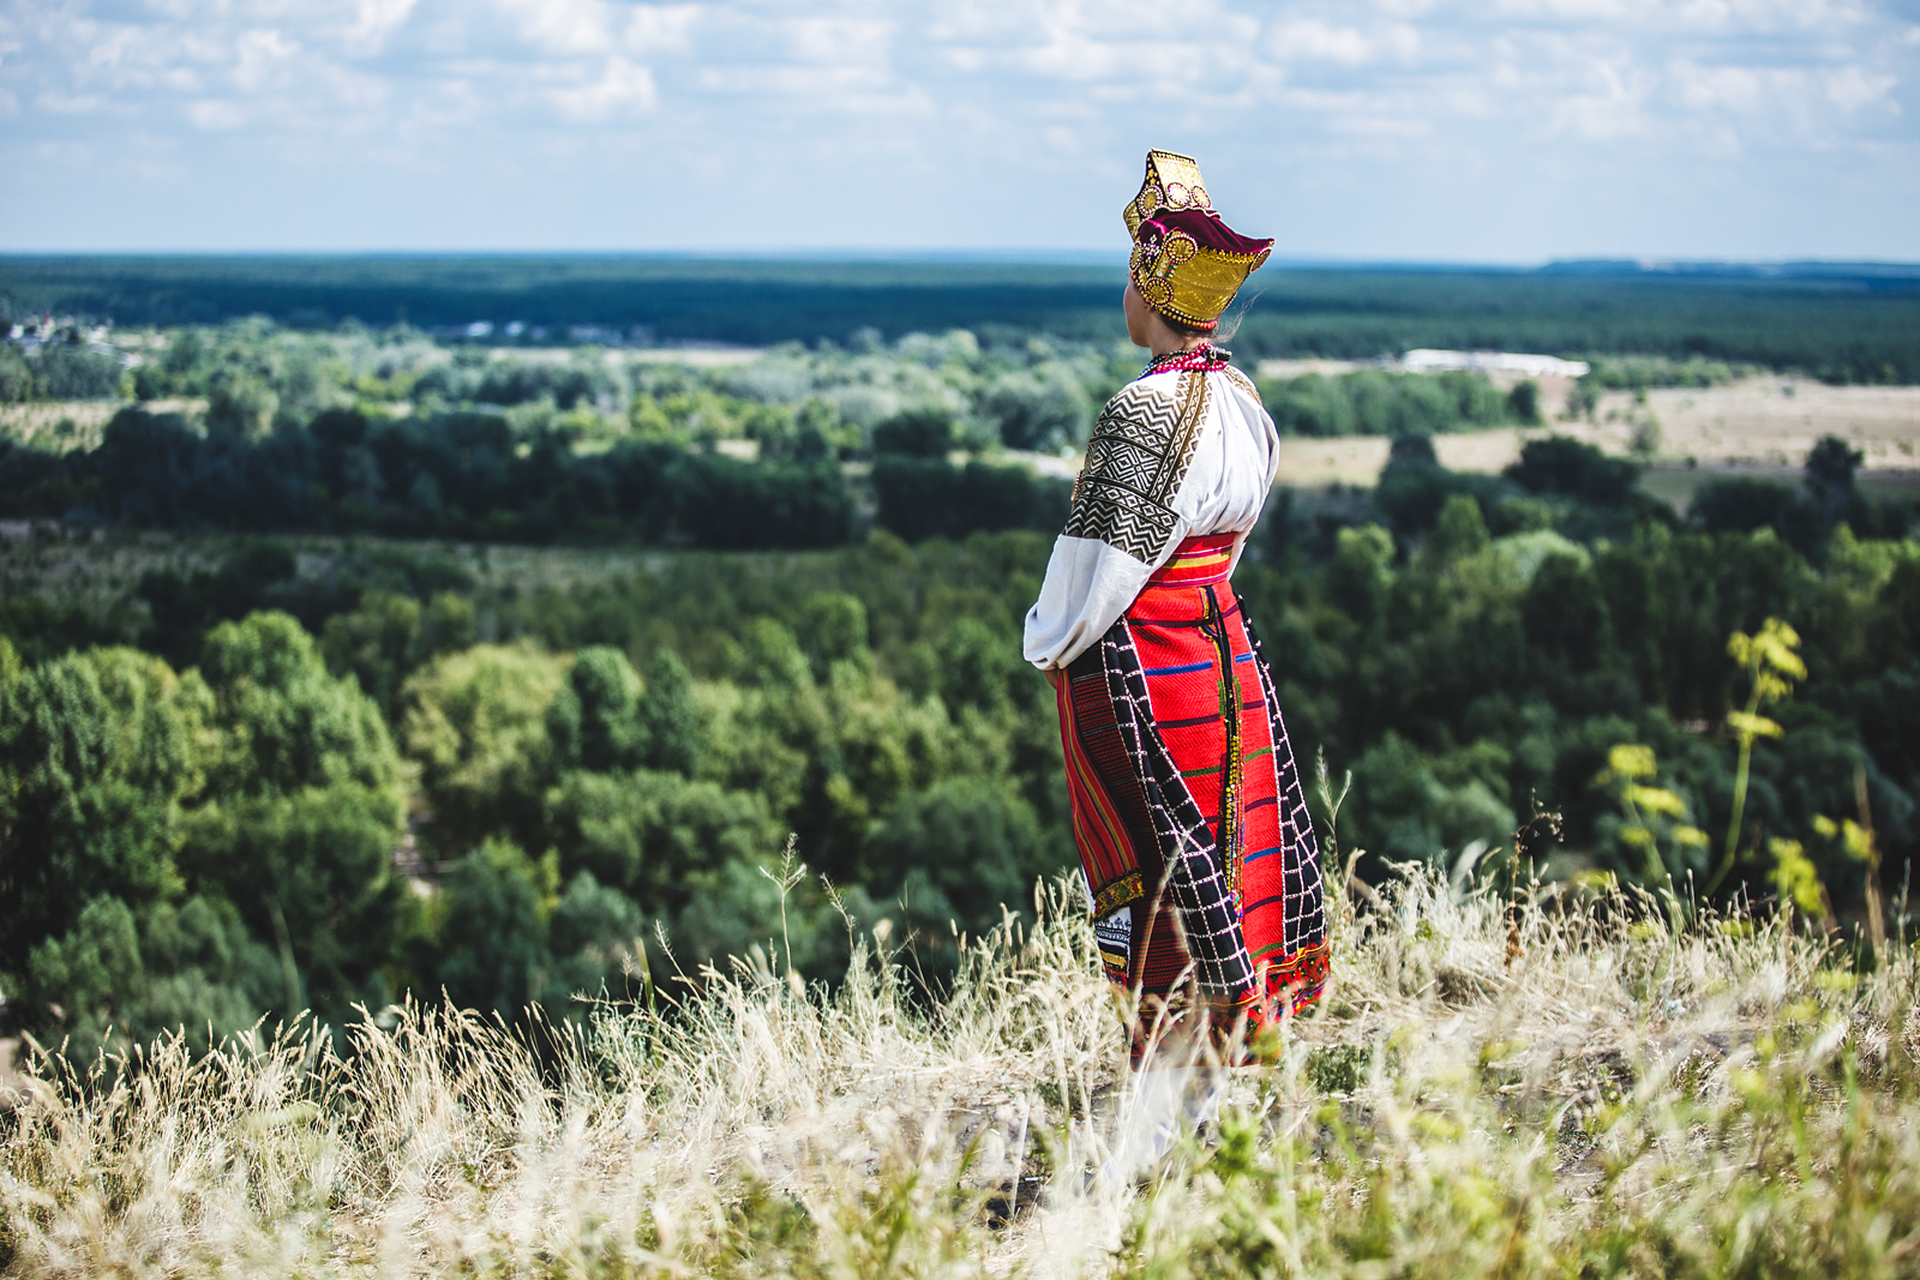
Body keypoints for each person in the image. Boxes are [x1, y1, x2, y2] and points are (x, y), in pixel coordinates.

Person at [1024, 150, 1328, 1066]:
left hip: (1143, 667)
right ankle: (1235, 1069)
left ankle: (1174, 1105)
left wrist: (1051, 647)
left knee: (1161, 874)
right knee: (1231, 855)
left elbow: (1097, 571)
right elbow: (1226, 548)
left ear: (1147, 290)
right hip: (1224, 653)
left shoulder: (1142, 411)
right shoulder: (1241, 401)